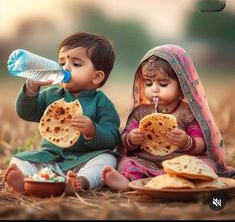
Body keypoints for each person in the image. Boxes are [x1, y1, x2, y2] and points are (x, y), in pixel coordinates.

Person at [101, 44, 235, 192]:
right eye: (148, 83)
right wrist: (132, 138)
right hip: (146, 161)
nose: (155, 89)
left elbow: (201, 145)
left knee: (207, 165)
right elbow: (125, 138)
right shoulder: (140, 112)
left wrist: (186, 141)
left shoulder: (188, 113)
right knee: (127, 162)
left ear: (182, 86)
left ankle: (183, 182)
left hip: (181, 162)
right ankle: (127, 183)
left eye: (163, 84)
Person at [3, 32, 121, 195]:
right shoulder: (50, 95)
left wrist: (92, 131)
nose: (65, 68)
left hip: (83, 161)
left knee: (108, 159)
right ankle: (26, 180)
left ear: (96, 77)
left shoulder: (102, 103)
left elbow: (112, 138)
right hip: (50, 159)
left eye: (76, 64)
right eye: (62, 62)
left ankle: (81, 182)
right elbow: (26, 113)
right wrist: (32, 87)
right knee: (19, 159)